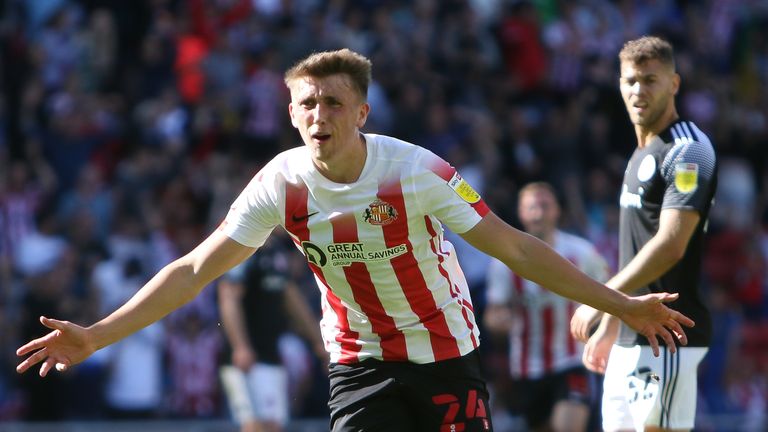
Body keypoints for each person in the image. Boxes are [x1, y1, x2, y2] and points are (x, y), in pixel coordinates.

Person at [17, 48, 693, 432]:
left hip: (446, 353)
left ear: (362, 112)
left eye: (334, 103)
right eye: (307, 104)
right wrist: (98, 334)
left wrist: (622, 304)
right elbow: (196, 269)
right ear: (289, 112)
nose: (319, 116)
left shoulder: (417, 172)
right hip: (359, 361)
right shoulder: (278, 185)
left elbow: (513, 247)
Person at [570, 36, 717, 432]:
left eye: (650, 80)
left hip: (666, 337)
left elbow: (670, 245)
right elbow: (635, 249)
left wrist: (601, 301)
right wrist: (615, 323)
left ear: (674, 84)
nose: (638, 90)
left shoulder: (689, 151)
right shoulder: (640, 153)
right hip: (630, 337)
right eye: (630, 80)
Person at [485, 182, 609, 432]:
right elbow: (493, 312)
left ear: (556, 211)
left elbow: (610, 293)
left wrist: (603, 332)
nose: (538, 213)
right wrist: (499, 321)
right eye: (532, 207)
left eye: (544, 206)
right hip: (528, 367)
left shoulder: (581, 252)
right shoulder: (505, 262)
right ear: (521, 213)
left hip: (572, 360)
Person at [218, 232, 326, 432]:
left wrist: (319, 341)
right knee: (252, 426)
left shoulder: (275, 250)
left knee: (273, 426)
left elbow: (290, 296)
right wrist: (241, 346)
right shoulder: (243, 247)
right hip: (247, 359)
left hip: (270, 355)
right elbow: (228, 296)